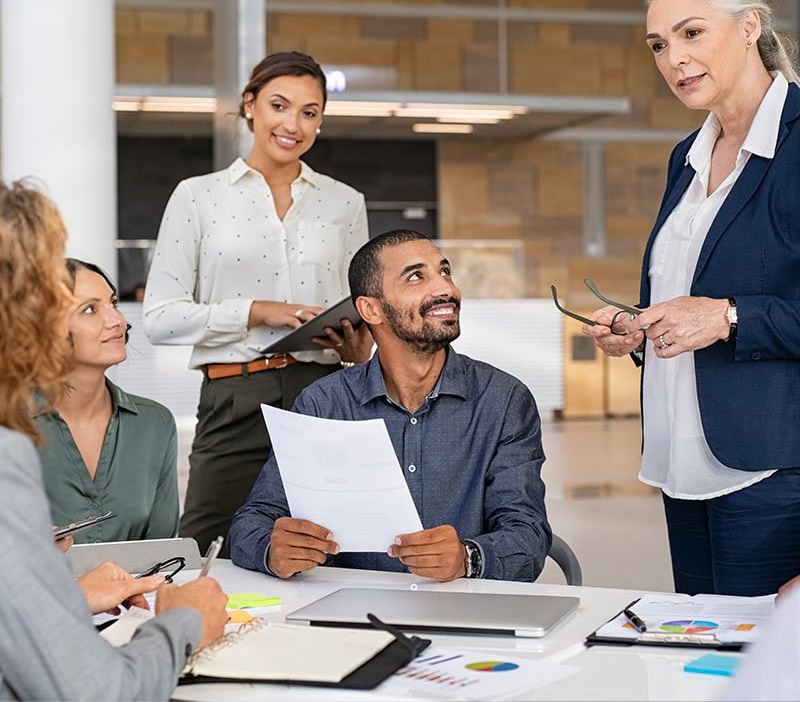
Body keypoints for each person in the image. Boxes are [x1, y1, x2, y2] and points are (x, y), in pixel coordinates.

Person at [583, 0, 800, 596]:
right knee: (704, 660)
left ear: (748, 26)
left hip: (774, 466)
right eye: (658, 44)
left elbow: (722, 305)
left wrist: (728, 316)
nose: (674, 57)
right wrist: (638, 327)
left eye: (691, 33)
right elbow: (684, 290)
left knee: (765, 676)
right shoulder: (687, 155)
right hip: (684, 456)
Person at [0, 179, 228, 700]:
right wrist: (186, 623)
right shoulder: (12, 441)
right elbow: (96, 691)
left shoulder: (152, 423)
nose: (118, 321)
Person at [143, 51, 372, 554]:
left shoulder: (345, 202)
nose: (293, 124)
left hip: (326, 391)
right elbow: (159, 318)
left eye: (309, 112)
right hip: (234, 396)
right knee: (205, 545)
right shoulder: (197, 196)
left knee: (333, 544)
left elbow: (363, 303)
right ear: (250, 106)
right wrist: (256, 311)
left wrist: (360, 343)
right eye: (279, 105)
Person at [229, 230, 551, 583]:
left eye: (445, 272)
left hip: (464, 613)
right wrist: (272, 550)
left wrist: (467, 558)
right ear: (371, 309)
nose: (446, 289)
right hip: (346, 619)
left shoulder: (503, 400)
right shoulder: (323, 404)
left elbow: (528, 536)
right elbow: (251, 522)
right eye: (417, 276)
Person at [36, 259, 179, 543]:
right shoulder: (11, 425)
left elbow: (162, 554)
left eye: (113, 303)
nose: (118, 321)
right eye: (90, 309)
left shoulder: (156, 425)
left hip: (136, 588)